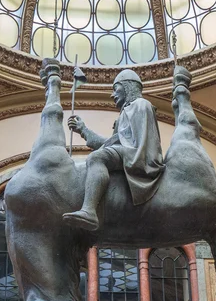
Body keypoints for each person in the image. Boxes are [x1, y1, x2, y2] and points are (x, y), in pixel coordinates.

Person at [63, 69, 165, 231]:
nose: (112, 95)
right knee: (99, 156)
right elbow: (111, 144)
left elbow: (135, 145)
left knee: (97, 158)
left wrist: (107, 149)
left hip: (140, 156)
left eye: (115, 88)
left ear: (127, 87)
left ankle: (89, 210)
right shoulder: (126, 112)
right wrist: (83, 130)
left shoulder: (140, 105)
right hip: (129, 152)